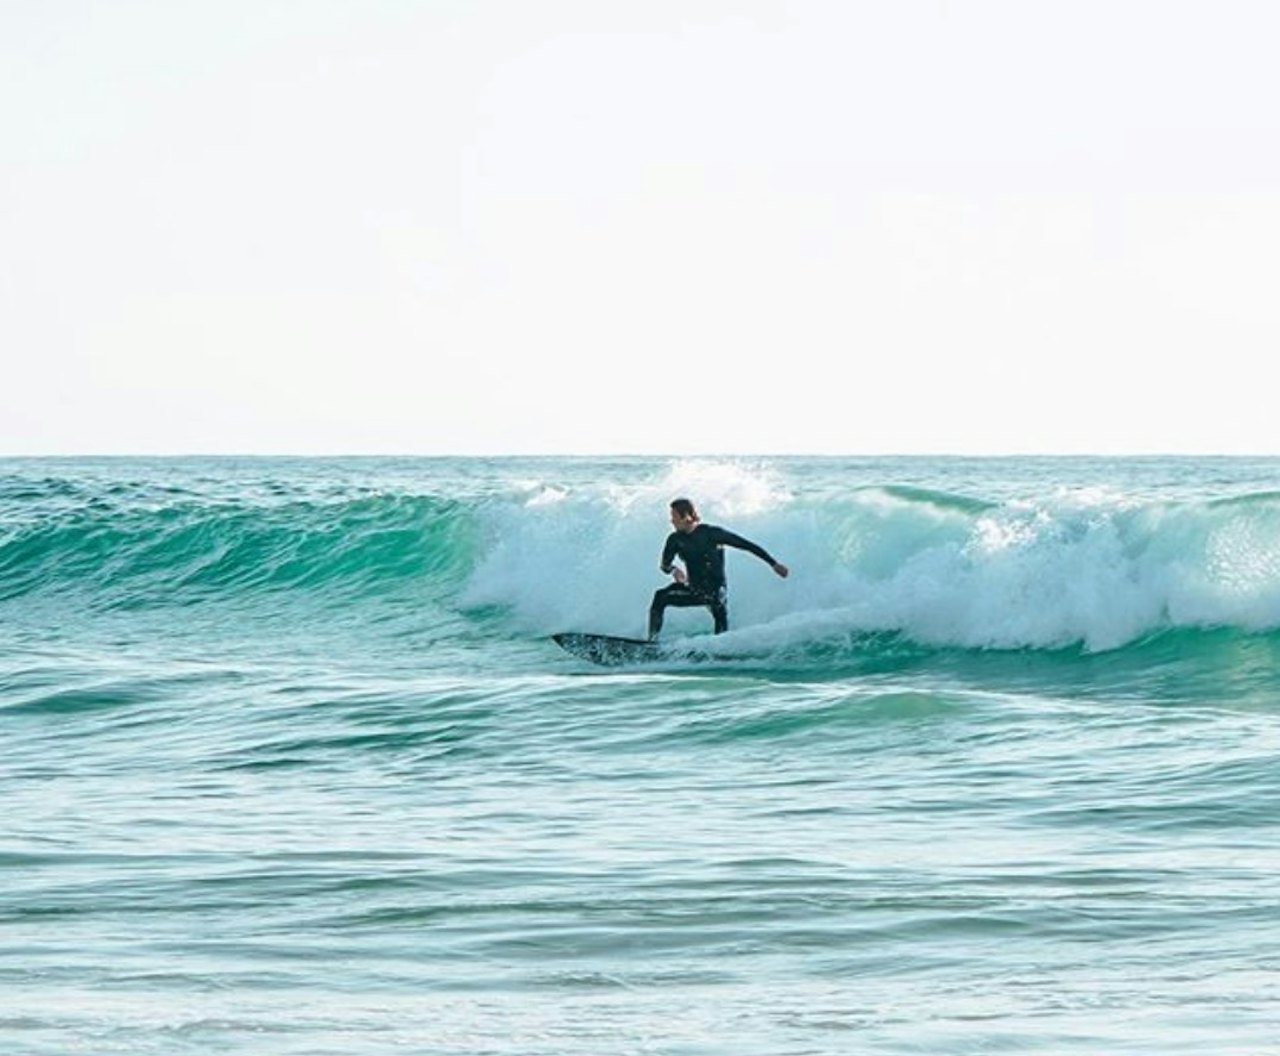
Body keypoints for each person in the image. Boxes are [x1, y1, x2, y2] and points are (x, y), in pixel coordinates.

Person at [648, 497, 789, 639]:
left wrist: (773, 564)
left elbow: (746, 545)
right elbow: (664, 565)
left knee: (719, 617)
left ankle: (722, 646)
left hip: (715, 591)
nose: (671, 520)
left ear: (687, 516)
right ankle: (651, 642)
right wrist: (673, 570)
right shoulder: (675, 540)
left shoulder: (712, 533)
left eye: (674, 516)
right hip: (694, 589)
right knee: (660, 596)